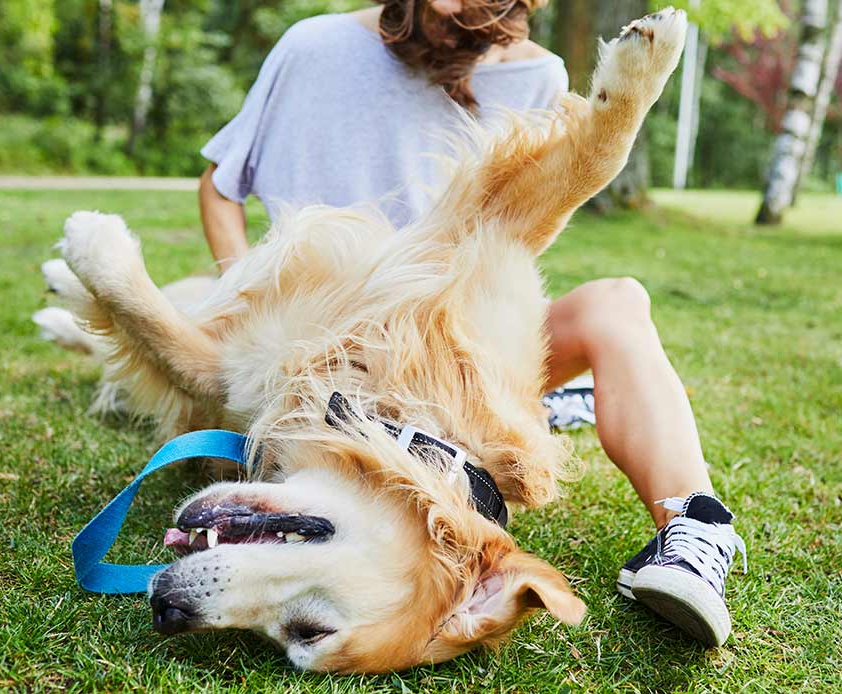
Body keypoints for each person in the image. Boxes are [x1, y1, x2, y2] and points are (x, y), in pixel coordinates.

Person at [198, 0, 745, 647]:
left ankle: (694, 532)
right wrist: (242, 295)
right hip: (327, 333)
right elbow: (220, 184)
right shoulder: (311, 45)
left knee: (616, 301)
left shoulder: (535, 73)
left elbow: (510, 245)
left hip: (450, 334)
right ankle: (563, 403)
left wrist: (610, 132)